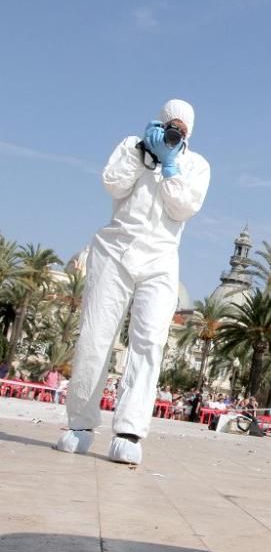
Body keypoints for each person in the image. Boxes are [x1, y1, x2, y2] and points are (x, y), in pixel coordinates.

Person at [55, 99, 210, 466]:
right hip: (114, 248)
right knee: (95, 336)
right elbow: (112, 184)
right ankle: (80, 425)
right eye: (170, 125)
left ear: (189, 132)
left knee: (149, 341)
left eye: (181, 129)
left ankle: (129, 431)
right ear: (158, 122)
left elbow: (183, 207)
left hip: (161, 258)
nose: (175, 133)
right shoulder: (131, 146)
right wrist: (142, 153)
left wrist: (169, 166)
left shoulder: (196, 165)